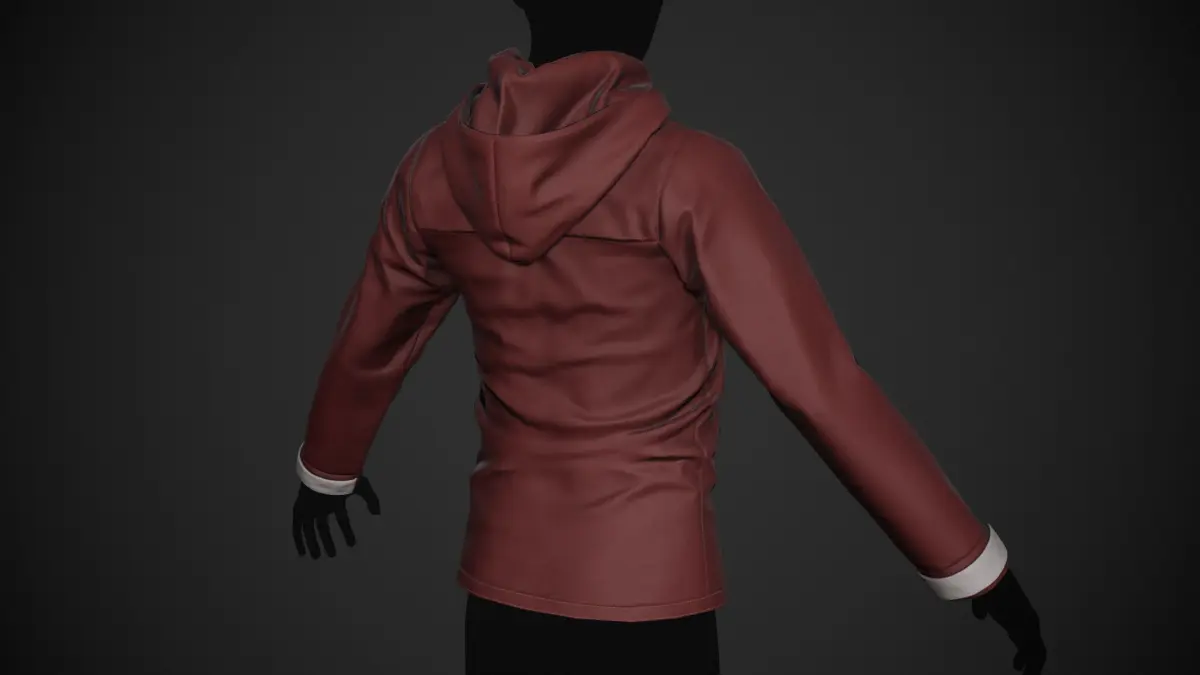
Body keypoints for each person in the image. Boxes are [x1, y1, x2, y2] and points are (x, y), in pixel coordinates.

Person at [290, 1, 1047, 673]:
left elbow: (371, 337)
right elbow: (818, 384)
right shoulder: (693, 172)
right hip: (651, 595)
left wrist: (328, 470)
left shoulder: (432, 166)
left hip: (501, 591)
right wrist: (971, 563)